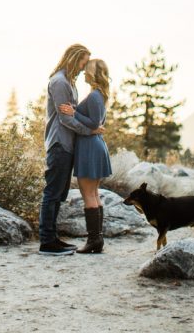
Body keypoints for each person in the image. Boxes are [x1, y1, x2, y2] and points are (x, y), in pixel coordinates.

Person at [38, 43, 105, 255]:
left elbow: (72, 111)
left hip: (68, 144)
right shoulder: (59, 82)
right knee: (52, 193)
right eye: (83, 63)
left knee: (59, 193)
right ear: (74, 59)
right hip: (60, 143)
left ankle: (53, 238)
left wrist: (80, 117)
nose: (84, 68)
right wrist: (90, 131)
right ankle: (47, 242)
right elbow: (65, 118)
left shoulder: (69, 82)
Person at [59, 57, 112, 253]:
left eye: (86, 69)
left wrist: (74, 112)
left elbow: (94, 123)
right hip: (93, 145)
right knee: (94, 194)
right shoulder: (98, 94)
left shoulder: (96, 96)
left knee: (88, 194)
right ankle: (97, 240)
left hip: (90, 147)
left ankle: (93, 241)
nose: (83, 72)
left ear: (93, 73)